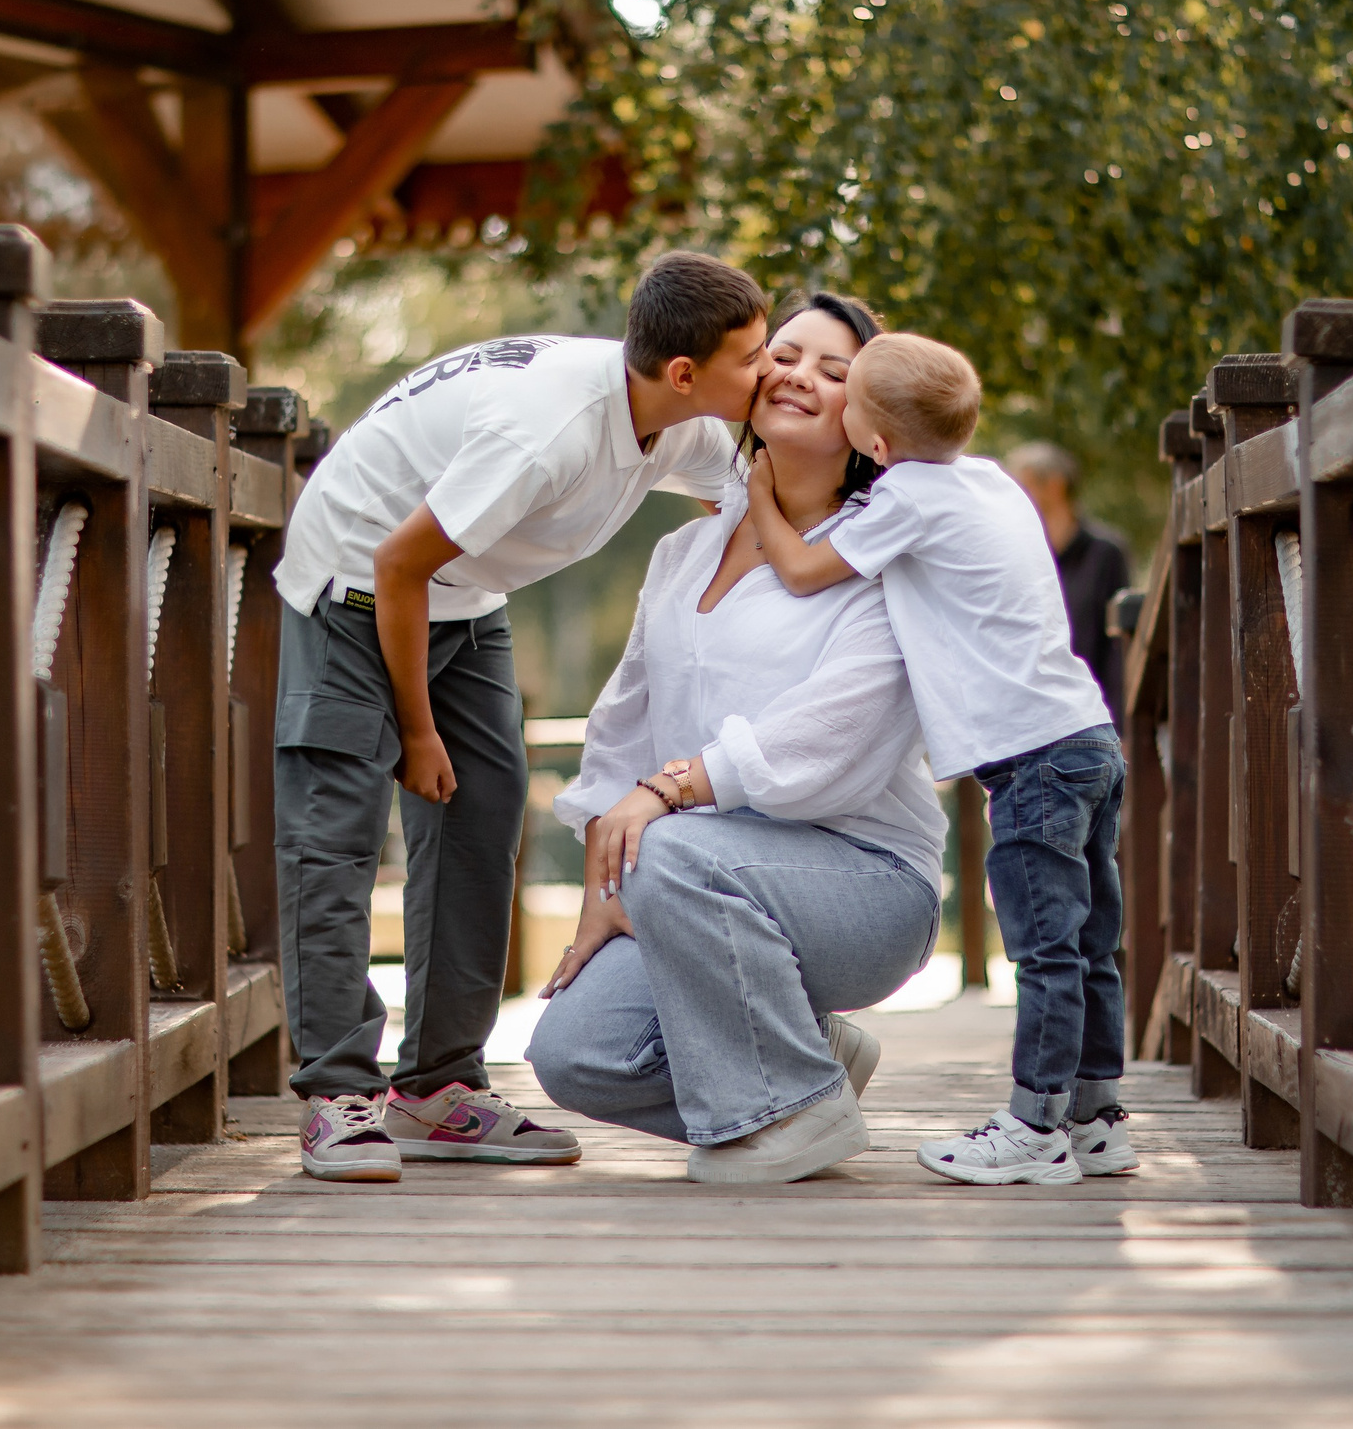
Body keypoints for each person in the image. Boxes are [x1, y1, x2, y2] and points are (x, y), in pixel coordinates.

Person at [271, 251, 771, 1182]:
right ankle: (336, 1095)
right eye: (755, 357)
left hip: (461, 594)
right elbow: (397, 564)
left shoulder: (682, 425)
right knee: (335, 835)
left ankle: (438, 1089)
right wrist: (418, 733)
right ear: (684, 373)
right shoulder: (552, 432)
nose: (771, 370)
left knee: (482, 818)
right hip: (356, 579)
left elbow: (759, 507)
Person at [526, 292, 945, 1185]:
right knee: (574, 1052)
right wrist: (608, 876)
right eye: (784, 354)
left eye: (836, 372)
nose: (798, 374)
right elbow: (621, 725)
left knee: (672, 851)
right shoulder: (680, 555)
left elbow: (829, 743)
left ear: (870, 424)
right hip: (694, 875)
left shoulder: (883, 564)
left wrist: (667, 795)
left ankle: (792, 1111)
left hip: (865, 886)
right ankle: (804, 1048)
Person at [744, 332, 1135, 1184]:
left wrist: (758, 495)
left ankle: (1036, 1127)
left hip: (1032, 760)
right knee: (1092, 941)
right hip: (1088, 736)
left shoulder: (905, 497)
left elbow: (806, 570)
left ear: (876, 445)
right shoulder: (987, 478)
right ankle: (1098, 1116)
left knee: (1044, 949)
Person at [1003, 442, 1135, 717]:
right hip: (1032, 716)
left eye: (1022, 485)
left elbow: (1119, 648)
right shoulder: (1015, 553)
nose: (1012, 495)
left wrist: (1120, 724)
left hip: (1093, 717)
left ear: (1054, 485)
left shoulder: (1106, 553)